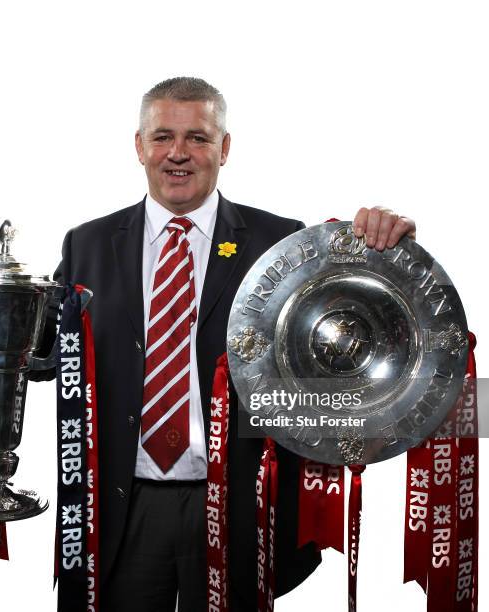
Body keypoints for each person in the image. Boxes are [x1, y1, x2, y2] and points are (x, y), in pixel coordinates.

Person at [42, 77, 416, 611]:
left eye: (197, 138)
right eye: (163, 136)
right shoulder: (89, 243)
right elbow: (48, 357)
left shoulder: (279, 243)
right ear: (139, 146)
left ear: (225, 148)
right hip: (122, 506)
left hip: (235, 503)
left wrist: (388, 247)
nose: (178, 153)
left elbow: (356, 330)